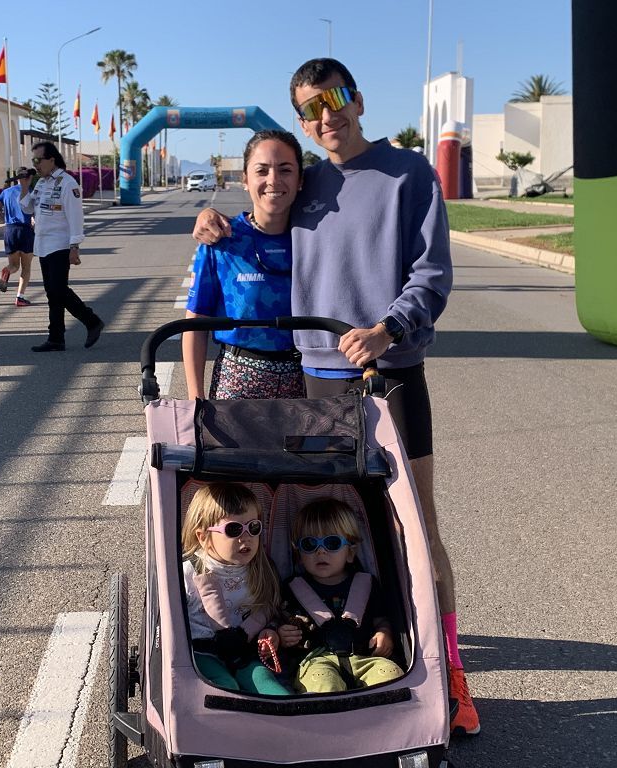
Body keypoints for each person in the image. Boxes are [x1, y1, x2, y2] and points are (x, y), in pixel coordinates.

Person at [192, 58, 478, 734]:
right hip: (317, 380)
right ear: (300, 120)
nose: (328, 116)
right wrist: (212, 221)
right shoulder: (307, 178)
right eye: (312, 108)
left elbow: (433, 273)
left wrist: (389, 329)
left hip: (393, 371)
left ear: (357, 98)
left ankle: (455, 672)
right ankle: (332, 638)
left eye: (336, 99)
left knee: (417, 525)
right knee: (334, 523)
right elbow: (259, 214)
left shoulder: (409, 173)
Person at [183, 130, 305, 400]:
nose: (273, 180)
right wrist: (195, 398)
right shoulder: (221, 240)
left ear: (300, 181)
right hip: (237, 380)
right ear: (245, 180)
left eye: (285, 170)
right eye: (261, 170)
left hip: (307, 380)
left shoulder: (315, 238)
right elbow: (196, 324)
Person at [277, 498, 404, 693]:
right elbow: (282, 622)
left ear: (351, 552)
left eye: (332, 543)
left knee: (390, 672)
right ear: (298, 553)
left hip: (363, 656)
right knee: (323, 682)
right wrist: (284, 635)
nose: (321, 551)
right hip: (316, 660)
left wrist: (384, 633)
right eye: (310, 544)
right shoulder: (292, 588)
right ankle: (332, 720)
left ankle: (382, 720)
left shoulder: (367, 583)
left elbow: (381, 619)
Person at [181, 483, 289, 696]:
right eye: (234, 529)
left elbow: (270, 609)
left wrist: (271, 632)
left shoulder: (260, 569)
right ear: (203, 537)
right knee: (223, 686)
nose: (246, 537)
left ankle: (289, 720)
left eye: (253, 528)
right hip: (202, 650)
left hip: (244, 648)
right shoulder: (188, 572)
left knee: (266, 683)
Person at [19, 141, 103, 351]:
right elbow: (27, 207)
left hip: (60, 244)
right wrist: (24, 186)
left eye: (39, 160)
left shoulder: (68, 183)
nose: (36, 164)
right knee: (52, 292)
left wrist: (75, 245)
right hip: (43, 244)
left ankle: (91, 320)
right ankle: (56, 337)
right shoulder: (41, 183)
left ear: (52, 160)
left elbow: (76, 217)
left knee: (58, 289)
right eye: (33, 160)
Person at [0, 168, 35, 307]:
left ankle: (7, 271)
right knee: (26, 268)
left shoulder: (6, 192)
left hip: (10, 230)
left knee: (14, 265)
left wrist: (4, 219)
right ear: (28, 178)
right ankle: (20, 297)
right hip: (25, 230)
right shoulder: (30, 192)